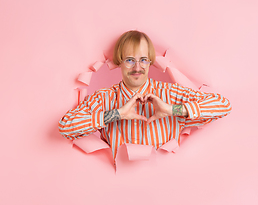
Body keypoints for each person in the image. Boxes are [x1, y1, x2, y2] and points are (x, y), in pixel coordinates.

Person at [59, 30, 232, 164]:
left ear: (150, 61)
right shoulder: (104, 98)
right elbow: (66, 127)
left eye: (143, 60)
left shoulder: (170, 93)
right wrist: (116, 114)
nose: (137, 67)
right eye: (129, 60)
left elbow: (223, 105)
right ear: (119, 61)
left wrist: (171, 109)